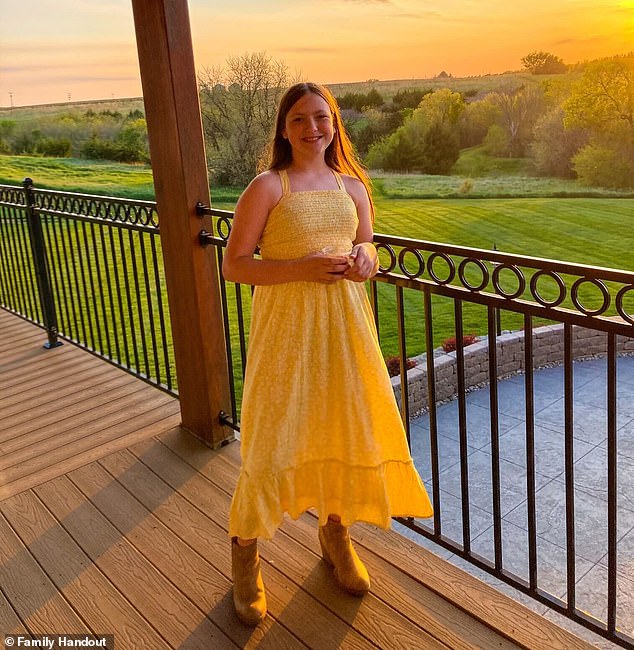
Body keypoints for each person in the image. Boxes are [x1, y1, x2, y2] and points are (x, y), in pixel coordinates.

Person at [222, 82, 433, 626]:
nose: (311, 127)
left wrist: (366, 256)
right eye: (298, 119)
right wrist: (301, 267)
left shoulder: (352, 186)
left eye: (321, 117)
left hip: (345, 331)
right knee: (271, 438)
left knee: (340, 427)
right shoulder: (269, 186)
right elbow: (236, 265)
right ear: (283, 128)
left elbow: (368, 245)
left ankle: (335, 535)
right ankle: (246, 556)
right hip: (286, 334)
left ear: (334, 123)